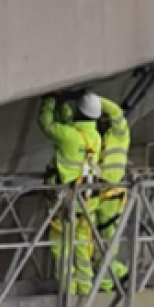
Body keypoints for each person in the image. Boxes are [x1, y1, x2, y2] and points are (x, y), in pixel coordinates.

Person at [38, 92, 103, 296]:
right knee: (83, 247)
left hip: (65, 203)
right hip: (87, 203)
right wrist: (63, 105)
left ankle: (68, 291)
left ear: (78, 111)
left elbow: (46, 124)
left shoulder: (69, 137)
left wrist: (49, 102)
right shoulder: (95, 138)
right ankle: (85, 289)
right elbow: (71, 127)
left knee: (61, 247)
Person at [94, 96, 131, 292]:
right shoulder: (97, 136)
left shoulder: (119, 134)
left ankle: (106, 282)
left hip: (111, 195)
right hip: (94, 196)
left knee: (108, 241)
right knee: (92, 242)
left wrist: (94, 99)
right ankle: (118, 272)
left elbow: (116, 112)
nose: (102, 122)